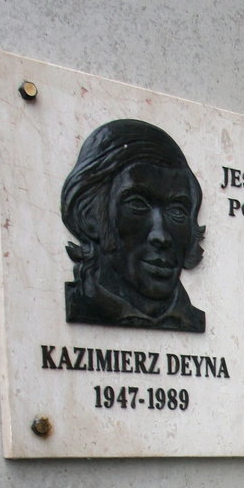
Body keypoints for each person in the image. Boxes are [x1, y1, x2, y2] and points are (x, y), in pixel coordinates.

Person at [61, 119, 206, 331]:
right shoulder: (82, 303)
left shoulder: (192, 318)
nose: (161, 236)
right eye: (138, 205)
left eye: (177, 211)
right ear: (90, 216)